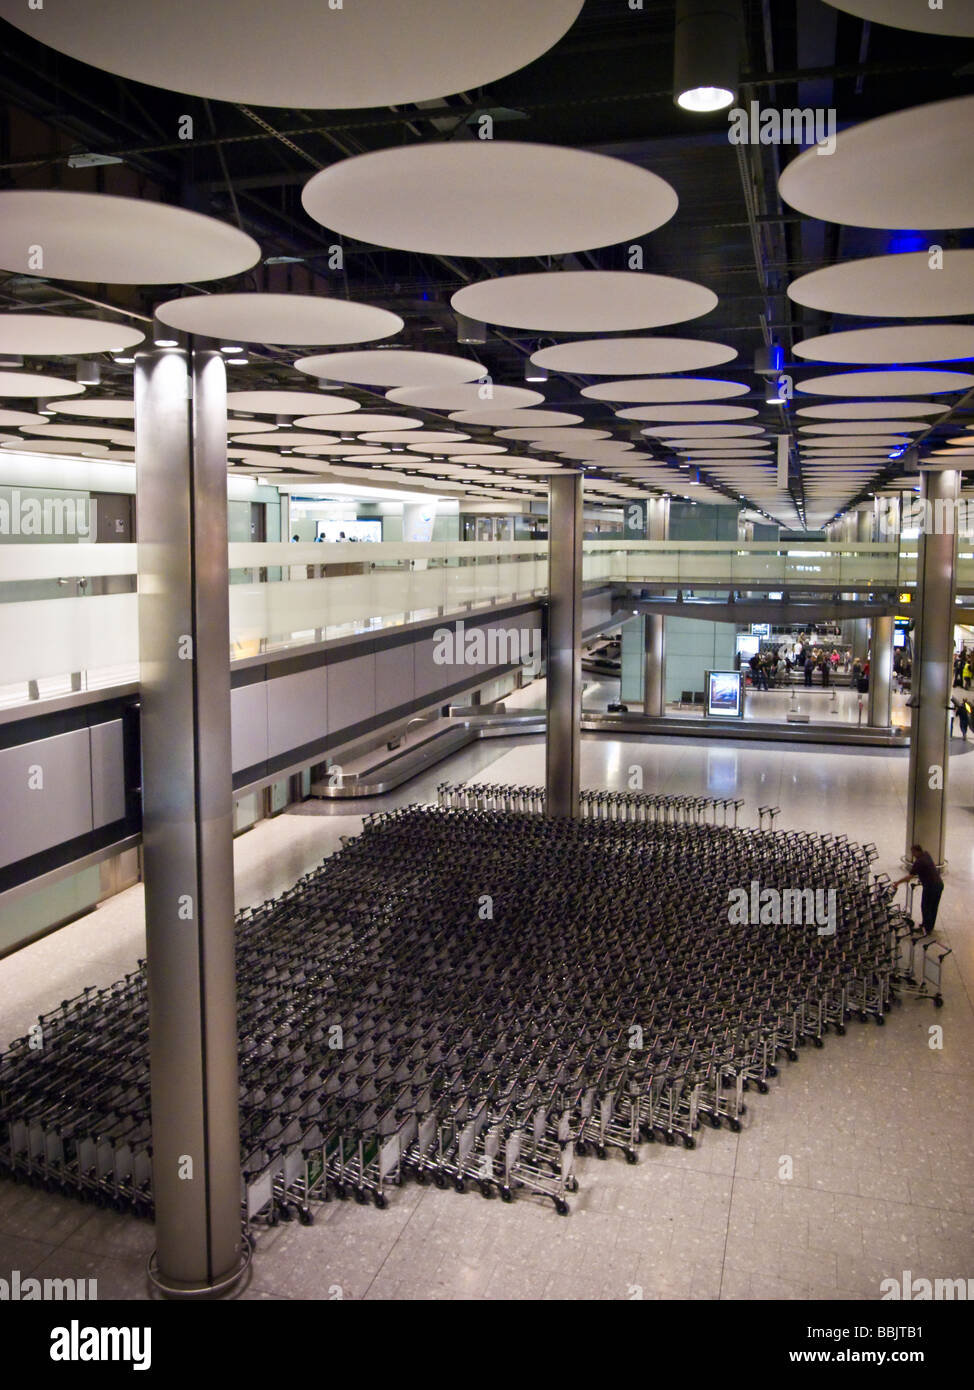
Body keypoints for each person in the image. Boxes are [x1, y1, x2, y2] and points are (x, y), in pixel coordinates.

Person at [893, 844, 944, 936]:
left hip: (931, 887)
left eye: (913, 852)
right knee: (933, 907)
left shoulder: (919, 862)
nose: (912, 855)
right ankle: (929, 926)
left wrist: (898, 882)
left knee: (926, 907)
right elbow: (928, 869)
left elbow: (910, 876)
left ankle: (926, 928)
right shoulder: (926, 854)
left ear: (917, 851)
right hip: (939, 884)